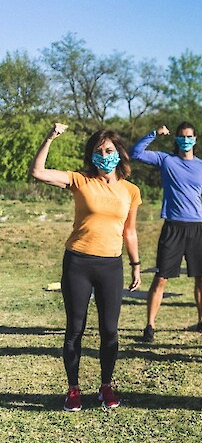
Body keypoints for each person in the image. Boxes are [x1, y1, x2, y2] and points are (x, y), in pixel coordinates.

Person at [30, 123, 142, 411]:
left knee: (110, 331)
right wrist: (50, 137)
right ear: (91, 155)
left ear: (119, 154)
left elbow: (130, 231)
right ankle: (73, 389)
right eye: (98, 151)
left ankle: (106, 386)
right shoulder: (80, 180)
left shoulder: (131, 191)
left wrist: (136, 265)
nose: (104, 155)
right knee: (75, 329)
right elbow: (38, 172)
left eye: (109, 150)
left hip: (111, 266)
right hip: (78, 262)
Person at [131, 123, 202, 342]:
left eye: (189, 136)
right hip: (173, 227)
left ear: (195, 139)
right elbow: (136, 153)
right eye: (182, 136)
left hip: (197, 227)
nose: (186, 140)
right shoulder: (166, 160)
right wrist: (154, 133)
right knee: (161, 278)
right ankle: (150, 326)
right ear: (177, 139)